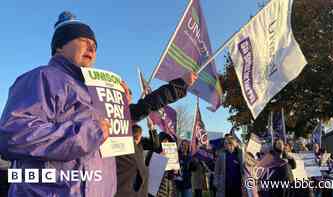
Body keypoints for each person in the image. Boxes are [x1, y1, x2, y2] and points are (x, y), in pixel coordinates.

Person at [0, 11, 196, 197]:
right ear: (60, 46)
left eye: (94, 44)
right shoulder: (42, 78)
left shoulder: (94, 90)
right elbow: (13, 134)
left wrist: (121, 105)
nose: (92, 48)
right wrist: (86, 135)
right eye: (83, 41)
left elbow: (139, 111)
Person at [115, 118, 160, 197]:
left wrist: (151, 128)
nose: (136, 141)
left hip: (138, 188)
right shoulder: (122, 142)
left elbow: (155, 145)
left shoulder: (141, 143)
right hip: (124, 185)